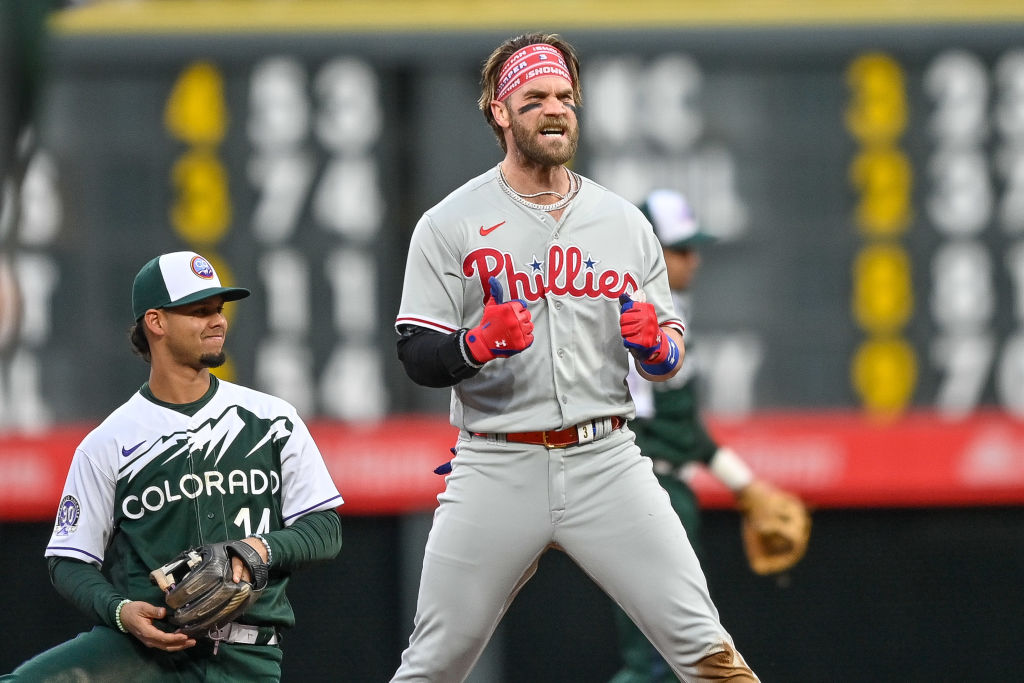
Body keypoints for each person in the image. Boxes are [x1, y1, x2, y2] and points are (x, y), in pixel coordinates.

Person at [392, 33, 758, 682]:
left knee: (707, 650)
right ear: (499, 112)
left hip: (605, 458)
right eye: (535, 98)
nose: (555, 109)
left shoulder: (623, 222)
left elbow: (666, 356)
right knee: (433, 665)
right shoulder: (450, 223)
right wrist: (473, 344)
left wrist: (656, 347)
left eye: (565, 97)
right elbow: (417, 350)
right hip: (496, 460)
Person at [3, 251, 344, 681]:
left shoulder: (271, 420)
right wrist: (120, 611)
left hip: (247, 658)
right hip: (142, 653)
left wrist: (261, 547)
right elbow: (68, 559)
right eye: (199, 311)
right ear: (156, 322)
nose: (218, 321)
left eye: (218, 310)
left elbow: (325, 528)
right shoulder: (109, 441)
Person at [609, 189, 809, 682]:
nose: (693, 260)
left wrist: (742, 483)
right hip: (646, 492)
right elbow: (651, 425)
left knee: (669, 657)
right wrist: (742, 484)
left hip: (666, 491)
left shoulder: (667, 312)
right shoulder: (633, 313)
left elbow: (684, 426)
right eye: (679, 249)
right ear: (649, 249)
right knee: (659, 659)